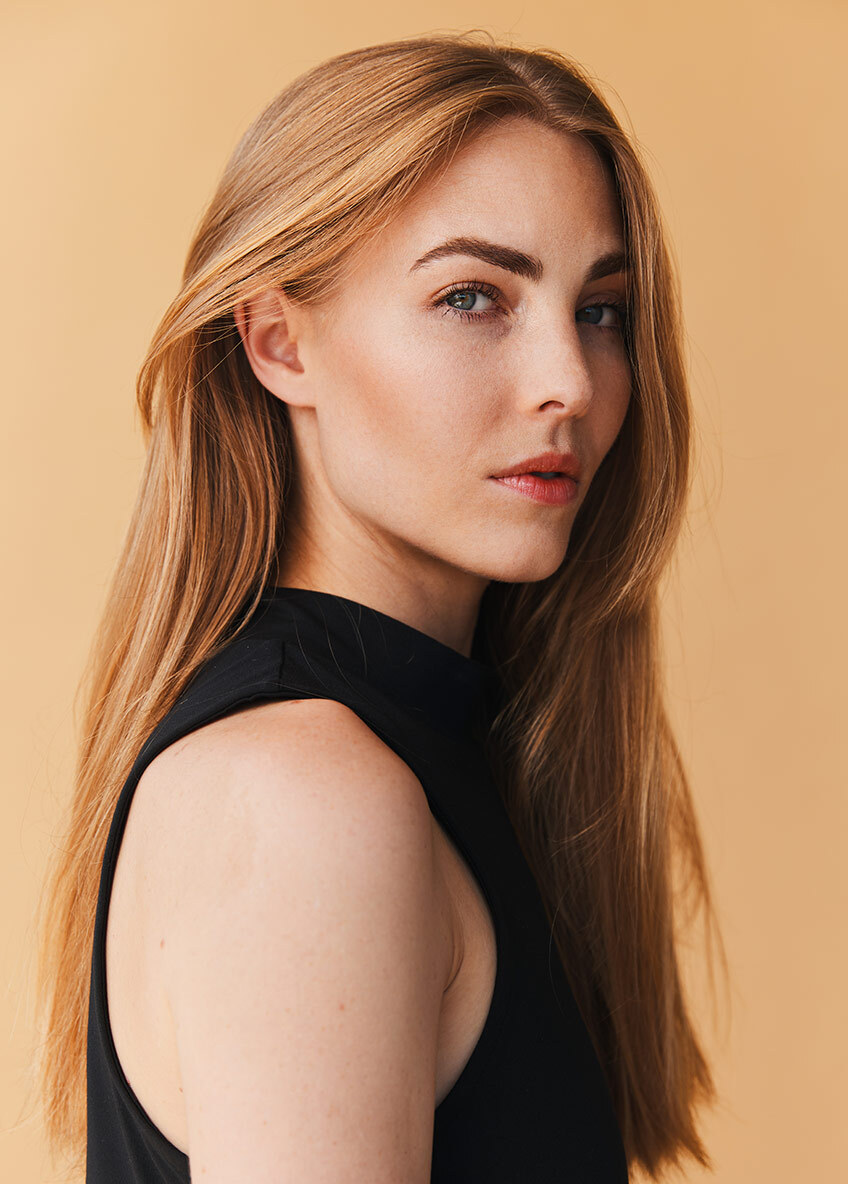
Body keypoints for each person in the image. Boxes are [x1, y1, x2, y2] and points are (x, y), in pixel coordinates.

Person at [34, 31, 723, 1183]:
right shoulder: (305, 800)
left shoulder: (432, 752)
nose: (568, 379)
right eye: (472, 296)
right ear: (279, 341)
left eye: (599, 310)